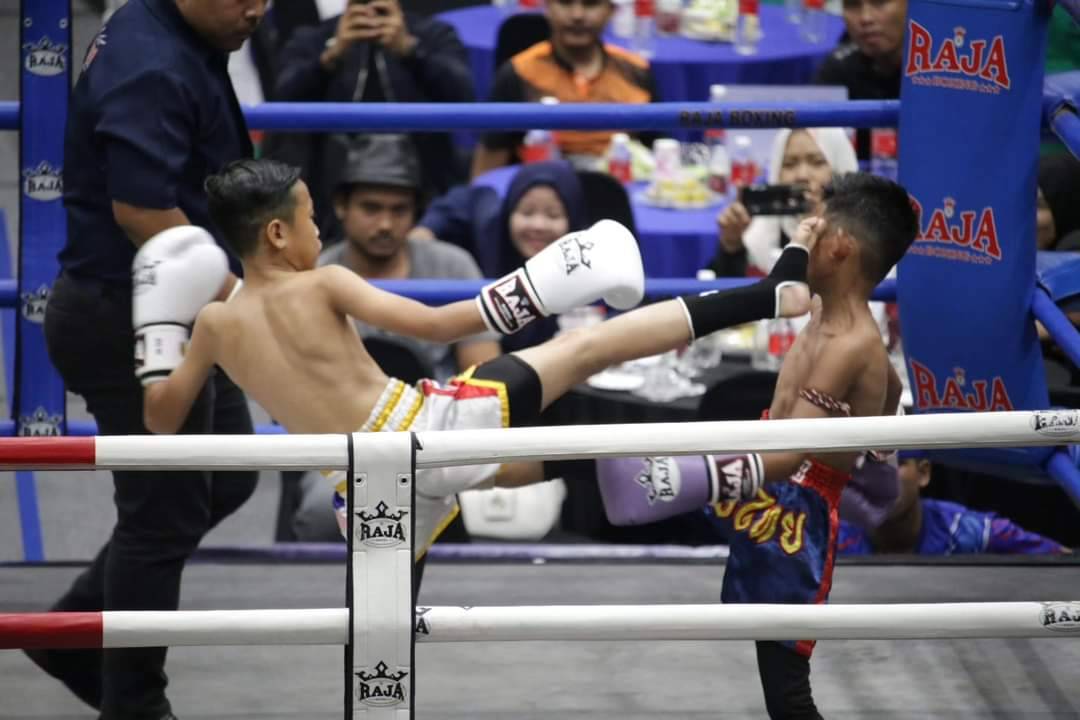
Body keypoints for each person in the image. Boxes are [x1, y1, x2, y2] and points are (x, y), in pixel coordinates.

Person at [134, 157, 813, 570]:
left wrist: (157, 332)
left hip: (369, 490)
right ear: (278, 232)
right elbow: (439, 322)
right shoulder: (323, 283)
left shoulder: (216, 324)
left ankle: (688, 476)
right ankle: (769, 295)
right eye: (311, 220)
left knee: (382, 624)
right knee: (586, 348)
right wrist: (549, 280)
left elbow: (161, 420)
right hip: (432, 431)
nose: (320, 232)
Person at [596, 173, 919, 719]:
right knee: (601, 473)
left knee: (787, 687)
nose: (802, 235)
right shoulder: (824, 314)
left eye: (814, 228)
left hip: (791, 511)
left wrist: (689, 477)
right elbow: (879, 393)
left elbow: (795, 453)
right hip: (765, 479)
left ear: (840, 246)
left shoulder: (853, 343)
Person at [33, 2, 266, 719]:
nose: (256, 7)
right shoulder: (152, 63)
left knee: (225, 475)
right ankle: (134, 705)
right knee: (161, 514)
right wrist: (255, 309)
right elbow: (142, 209)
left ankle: (72, 633)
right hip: (126, 316)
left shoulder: (170, 28)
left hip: (177, 303)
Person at [272, 0, 474, 227]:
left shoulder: (435, 34)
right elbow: (283, 98)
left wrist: (410, 50)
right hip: (330, 182)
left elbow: (462, 92)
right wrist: (332, 55)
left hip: (422, 175)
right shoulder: (312, 38)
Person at [414, 161, 590, 352]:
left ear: (573, 222)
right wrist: (427, 227)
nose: (538, 225)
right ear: (508, 212)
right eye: (527, 212)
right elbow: (471, 198)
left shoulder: (589, 262)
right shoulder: (489, 231)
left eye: (553, 215)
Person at [471, 0, 657, 177]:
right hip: (541, 196)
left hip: (619, 193)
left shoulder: (636, 72)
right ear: (548, 7)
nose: (577, 15)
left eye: (590, 4)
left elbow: (661, 156)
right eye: (565, 2)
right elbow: (485, 176)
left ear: (611, 11)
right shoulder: (519, 72)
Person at [838, 455, 1072, 555]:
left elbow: (1061, 558)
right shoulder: (829, 535)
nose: (882, 477)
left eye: (897, 463)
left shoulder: (963, 529)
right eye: (869, 463)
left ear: (924, 473)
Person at [709, 128, 859, 278]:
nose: (802, 175)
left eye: (817, 162)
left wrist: (825, 234)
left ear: (839, 169)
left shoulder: (862, 231)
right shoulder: (761, 232)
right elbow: (732, 293)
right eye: (789, 164)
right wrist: (732, 245)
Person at [814, 0, 905, 160]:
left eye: (879, 3)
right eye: (852, 4)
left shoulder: (941, 74)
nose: (865, 18)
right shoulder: (837, 70)